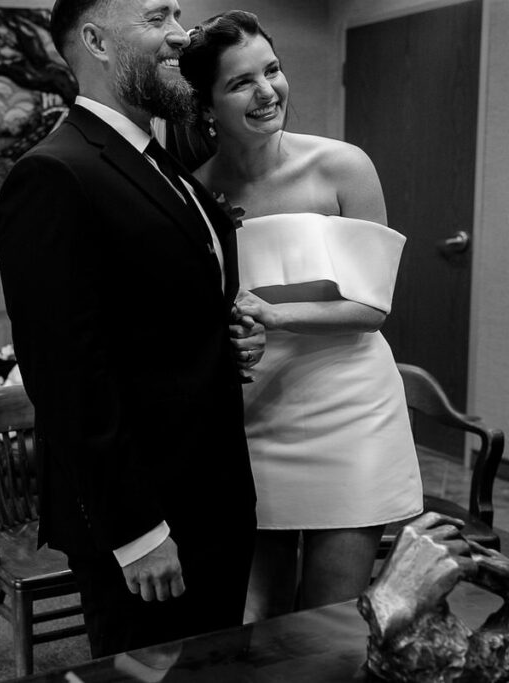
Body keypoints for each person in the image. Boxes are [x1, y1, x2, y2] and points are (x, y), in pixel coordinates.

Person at [0, 0, 260, 658]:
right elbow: (68, 379)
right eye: (157, 16)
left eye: (180, 15)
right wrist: (138, 531)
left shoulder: (155, 161)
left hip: (213, 496)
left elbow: (157, 314)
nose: (181, 33)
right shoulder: (54, 174)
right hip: (148, 516)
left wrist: (225, 333)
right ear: (96, 39)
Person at [177, 10, 423, 622]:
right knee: (261, 616)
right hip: (256, 415)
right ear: (207, 104)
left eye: (273, 70)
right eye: (241, 82)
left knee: (330, 612)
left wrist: (277, 316)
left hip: (351, 409)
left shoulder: (343, 167)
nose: (267, 91)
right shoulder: (195, 193)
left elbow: (372, 309)